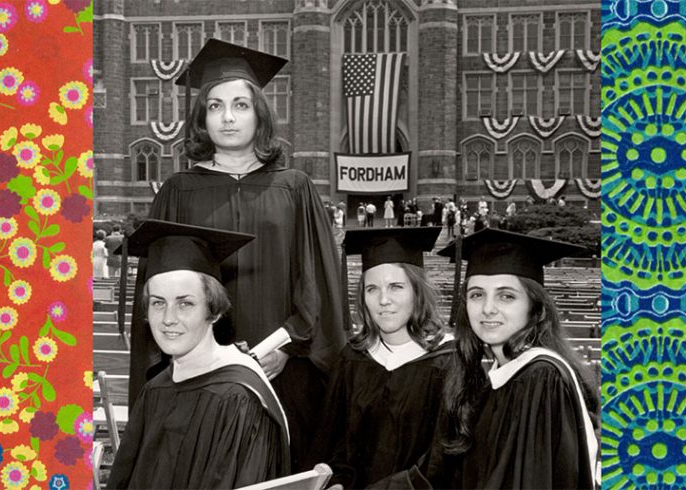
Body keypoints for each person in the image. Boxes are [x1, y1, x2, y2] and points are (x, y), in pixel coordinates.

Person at [128, 39, 346, 471]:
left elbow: (318, 281)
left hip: (286, 372)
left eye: (241, 105)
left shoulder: (295, 187)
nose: (228, 117)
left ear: (259, 113)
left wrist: (289, 346)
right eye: (215, 106)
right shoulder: (178, 190)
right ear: (201, 117)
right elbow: (158, 291)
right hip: (199, 373)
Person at [388, 228, 599, 489]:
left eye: (506, 296)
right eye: (477, 294)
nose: (488, 308)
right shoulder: (501, 378)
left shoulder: (540, 378)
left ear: (535, 307)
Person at [107, 220, 290, 489]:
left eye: (185, 303)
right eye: (158, 303)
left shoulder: (239, 398)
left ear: (214, 311)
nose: (168, 318)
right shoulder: (155, 390)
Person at [312, 227, 453, 488]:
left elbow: (444, 460)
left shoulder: (447, 364)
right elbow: (334, 443)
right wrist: (337, 481)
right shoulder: (352, 360)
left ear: (417, 291)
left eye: (396, 287)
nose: (383, 300)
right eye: (372, 289)